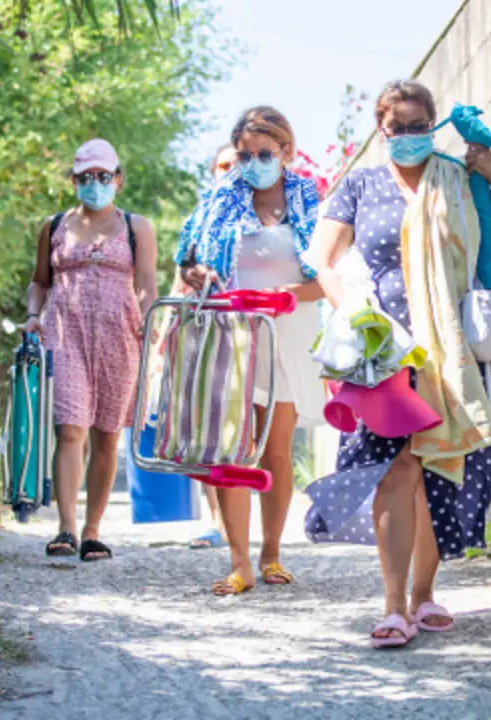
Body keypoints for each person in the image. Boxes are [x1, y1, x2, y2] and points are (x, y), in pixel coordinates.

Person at [305, 79, 491, 647]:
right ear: (381, 130)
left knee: (440, 467)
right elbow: (321, 260)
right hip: (385, 351)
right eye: (395, 127)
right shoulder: (361, 186)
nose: (406, 135)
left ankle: (425, 594)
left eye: (417, 126)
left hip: (451, 350)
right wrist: (355, 314)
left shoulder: (459, 179)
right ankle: (394, 605)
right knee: (397, 469)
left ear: (433, 126)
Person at [175, 107, 326, 594]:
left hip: (290, 329)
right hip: (233, 329)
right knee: (234, 444)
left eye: (265, 154)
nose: (254, 163)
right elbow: (188, 257)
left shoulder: (308, 197)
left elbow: (327, 274)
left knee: (276, 449)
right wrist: (196, 272)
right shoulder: (220, 198)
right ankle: (239, 562)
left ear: (286, 151)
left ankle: (272, 554)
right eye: (245, 155)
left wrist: (289, 295)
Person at [22, 138, 159, 562]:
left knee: (107, 434)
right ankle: (66, 527)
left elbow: (147, 284)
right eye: (86, 177)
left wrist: (150, 321)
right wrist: (33, 315)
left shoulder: (137, 227)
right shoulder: (55, 226)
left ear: (117, 179)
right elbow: (39, 282)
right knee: (70, 429)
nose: (95, 183)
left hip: (121, 337)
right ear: (74, 180)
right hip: (66, 334)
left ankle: (93, 530)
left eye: (103, 176)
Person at [183, 142, 240, 551]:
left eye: (238, 163)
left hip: (253, 328)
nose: (232, 171)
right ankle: (217, 521)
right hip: (206, 326)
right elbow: (182, 271)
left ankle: (248, 527)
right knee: (209, 425)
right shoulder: (201, 216)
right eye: (223, 165)